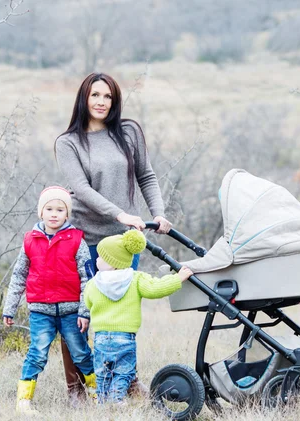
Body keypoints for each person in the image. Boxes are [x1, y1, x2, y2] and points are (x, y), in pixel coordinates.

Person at [54, 72, 173, 402]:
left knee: (121, 312)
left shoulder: (129, 132)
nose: (101, 102)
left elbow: (146, 175)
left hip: (123, 242)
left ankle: (128, 380)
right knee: (79, 313)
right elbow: (80, 188)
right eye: (95, 95)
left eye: (107, 96)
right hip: (84, 239)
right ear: (84, 99)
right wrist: (119, 213)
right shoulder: (69, 143)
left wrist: (158, 212)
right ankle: (76, 387)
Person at [2, 186, 96, 413]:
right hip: (40, 311)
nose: (54, 214)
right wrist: (9, 308)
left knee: (81, 352)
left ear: (67, 214)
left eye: (60, 209)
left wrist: (84, 311)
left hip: (71, 310)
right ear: (40, 212)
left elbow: (87, 279)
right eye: (49, 209)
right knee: (37, 352)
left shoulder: (76, 240)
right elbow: (18, 276)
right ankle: (23, 401)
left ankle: (95, 391)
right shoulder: (30, 240)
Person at [84, 230, 193, 403]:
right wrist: (178, 278)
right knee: (124, 372)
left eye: (100, 257)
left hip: (101, 338)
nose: (96, 260)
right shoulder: (135, 279)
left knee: (103, 372)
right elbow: (156, 289)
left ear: (113, 262)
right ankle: (116, 399)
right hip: (125, 338)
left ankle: (103, 402)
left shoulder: (92, 284)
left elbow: (88, 303)